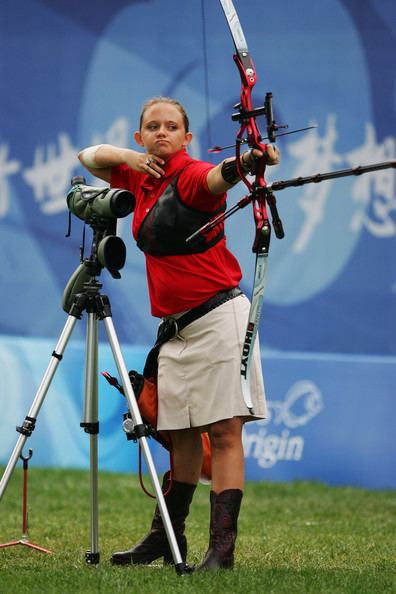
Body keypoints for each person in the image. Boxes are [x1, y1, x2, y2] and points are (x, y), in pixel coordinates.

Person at [78, 96, 280, 570]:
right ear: (140, 135)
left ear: (187, 138)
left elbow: (219, 176)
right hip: (175, 329)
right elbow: (88, 156)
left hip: (217, 318)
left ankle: (222, 552)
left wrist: (249, 160)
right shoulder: (136, 174)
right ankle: (167, 538)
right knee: (178, 433)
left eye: (172, 127)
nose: (162, 133)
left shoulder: (190, 174)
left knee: (225, 432)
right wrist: (129, 160)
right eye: (153, 127)